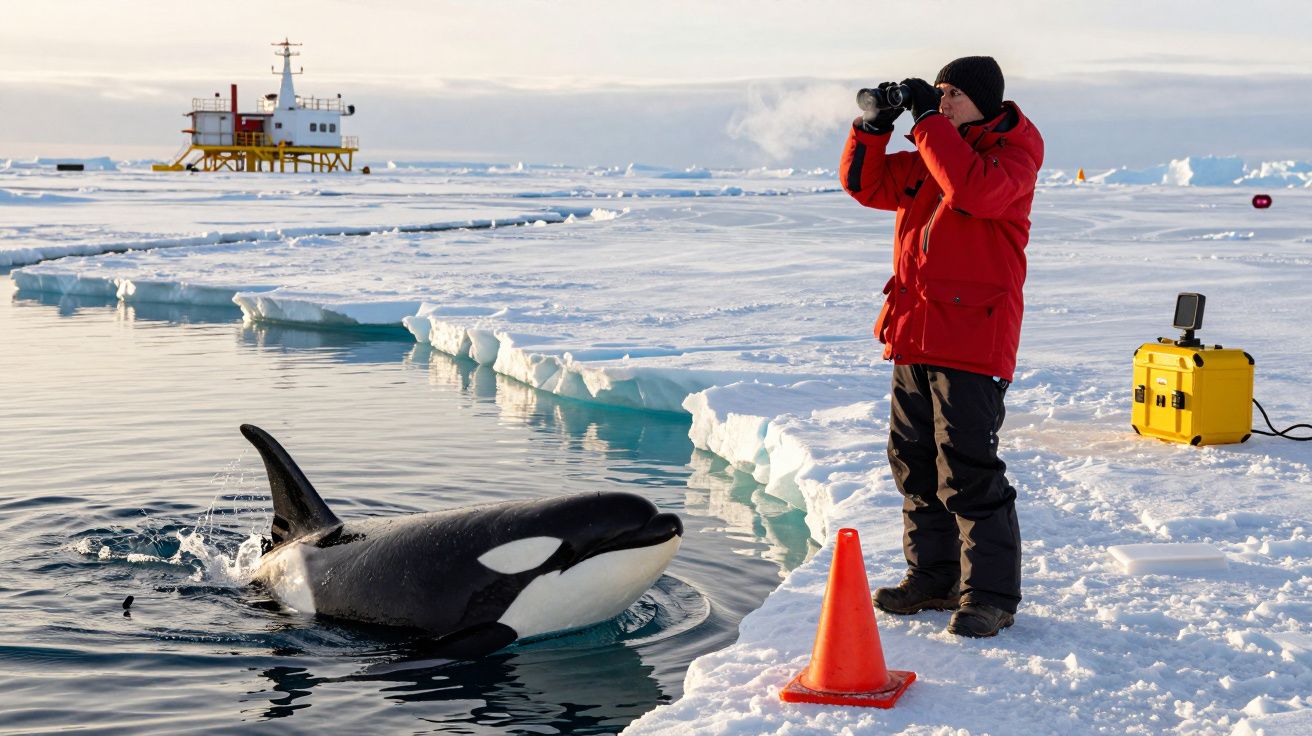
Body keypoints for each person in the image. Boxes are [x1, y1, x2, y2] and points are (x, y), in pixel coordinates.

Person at [839, 56, 1043, 637]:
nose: (943, 101)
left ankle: (990, 597)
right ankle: (932, 577)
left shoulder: (1012, 156)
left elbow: (972, 193)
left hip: (974, 340)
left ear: (985, 101)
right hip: (915, 333)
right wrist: (873, 127)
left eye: (953, 93)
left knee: (969, 471)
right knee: (914, 462)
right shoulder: (935, 154)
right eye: (939, 92)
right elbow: (865, 185)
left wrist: (927, 120)